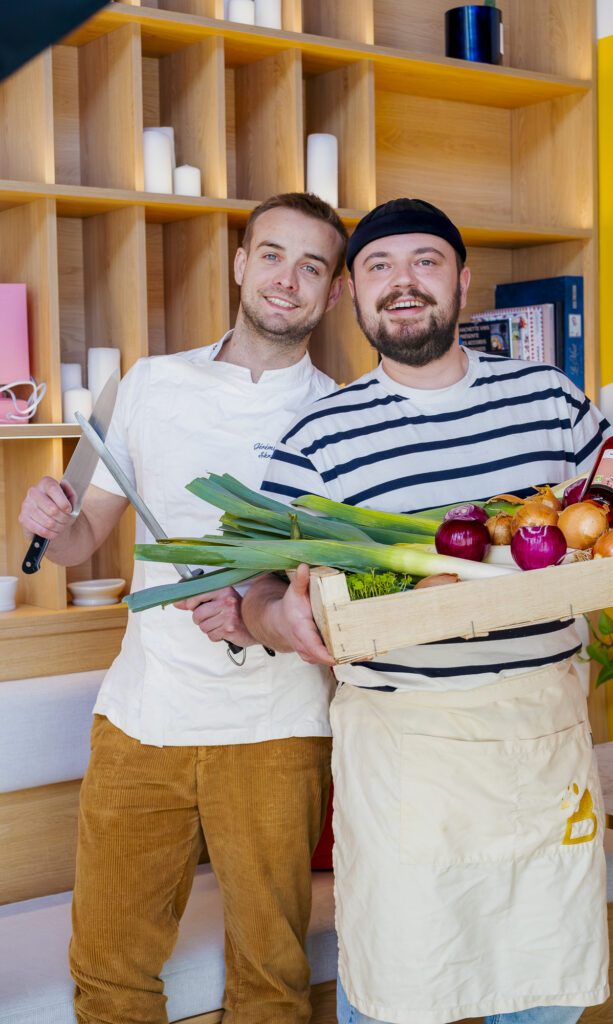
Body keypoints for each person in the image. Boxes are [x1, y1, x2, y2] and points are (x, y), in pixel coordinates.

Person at [242, 198, 612, 1024]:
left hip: (541, 743)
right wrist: (278, 618)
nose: (403, 283)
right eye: (379, 267)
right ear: (355, 292)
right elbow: (259, 588)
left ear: (463, 282)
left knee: (543, 1002)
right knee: (402, 995)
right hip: (407, 761)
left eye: (426, 262)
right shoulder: (319, 435)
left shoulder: (550, 400)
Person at [18, 192, 347, 1024]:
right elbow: (82, 538)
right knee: (108, 971)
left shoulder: (342, 415)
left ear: (335, 293)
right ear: (240, 264)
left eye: (313, 266)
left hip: (276, 728)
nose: (287, 279)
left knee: (271, 980)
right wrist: (48, 520)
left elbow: (338, 591)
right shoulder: (148, 384)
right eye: (272, 255)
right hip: (142, 719)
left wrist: (255, 605)